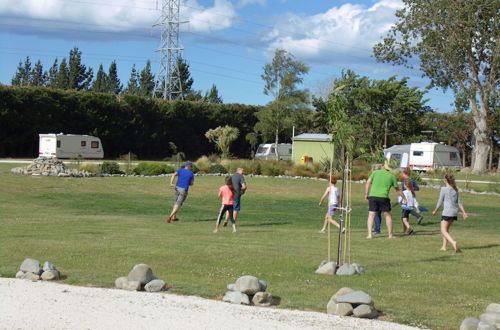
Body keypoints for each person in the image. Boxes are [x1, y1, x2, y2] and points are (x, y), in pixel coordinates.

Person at [365, 163, 406, 239]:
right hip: (384, 197)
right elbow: (398, 190)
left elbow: (368, 182)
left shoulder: (375, 172)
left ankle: (370, 235)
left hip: (373, 196)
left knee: (371, 215)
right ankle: (390, 235)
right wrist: (404, 198)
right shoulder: (392, 176)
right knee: (388, 216)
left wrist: (366, 194)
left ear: (383, 167)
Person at [432, 173, 468, 252]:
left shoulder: (443, 189)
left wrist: (435, 210)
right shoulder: (455, 189)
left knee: (443, 230)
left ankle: (453, 242)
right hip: (454, 213)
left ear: (445, 180)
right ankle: (444, 247)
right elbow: (459, 203)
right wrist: (464, 213)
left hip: (447, 212)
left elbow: (440, 201)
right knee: (446, 230)